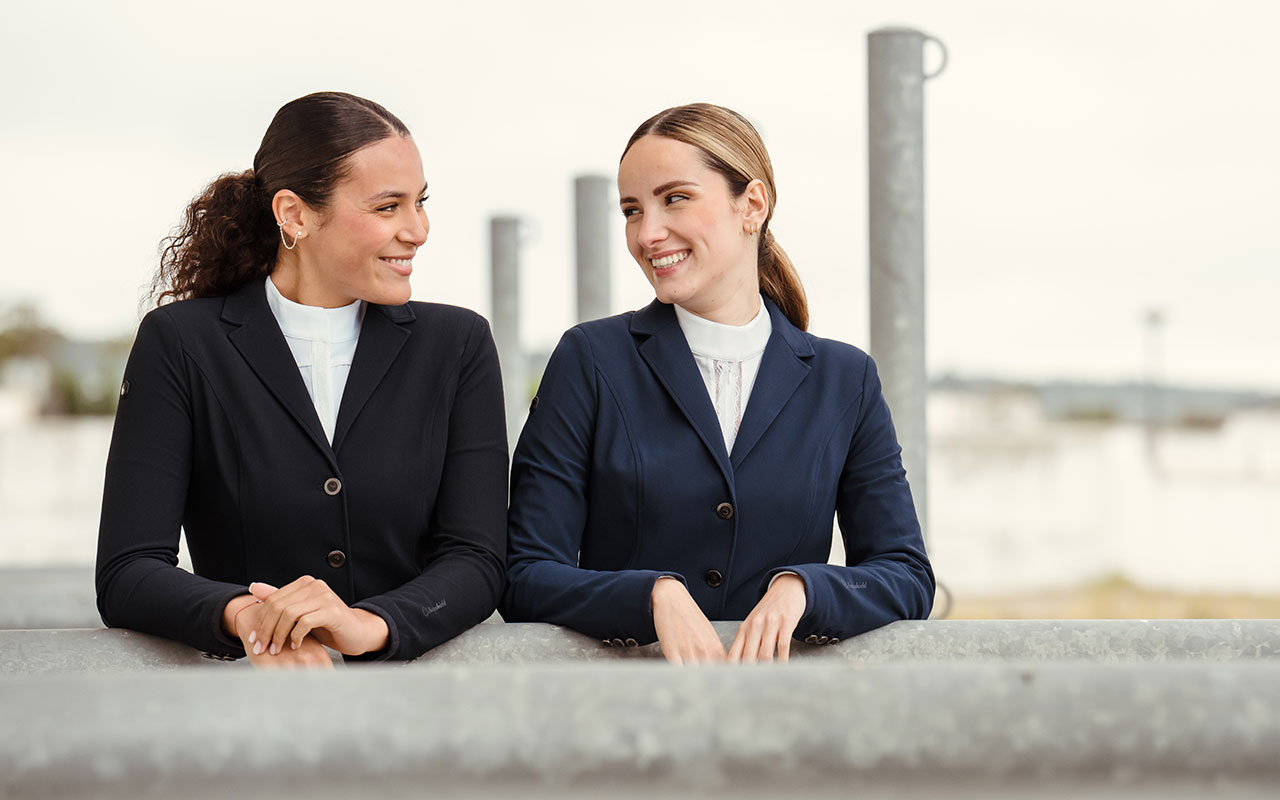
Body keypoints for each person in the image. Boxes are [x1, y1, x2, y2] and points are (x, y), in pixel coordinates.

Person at [501, 103, 934, 664]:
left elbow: (906, 573)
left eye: (675, 198)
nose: (647, 233)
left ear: (752, 204)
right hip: (618, 721)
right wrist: (650, 594)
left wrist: (804, 588)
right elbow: (524, 574)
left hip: (776, 723)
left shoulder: (845, 379)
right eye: (632, 210)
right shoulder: (590, 359)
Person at [96, 92, 507, 667]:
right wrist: (251, 618)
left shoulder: (458, 344)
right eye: (388, 207)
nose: (419, 229)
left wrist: (370, 624)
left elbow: (478, 558)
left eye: (420, 202)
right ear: (294, 215)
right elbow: (128, 572)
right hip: (248, 714)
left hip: (422, 710)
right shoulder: (182, 343)